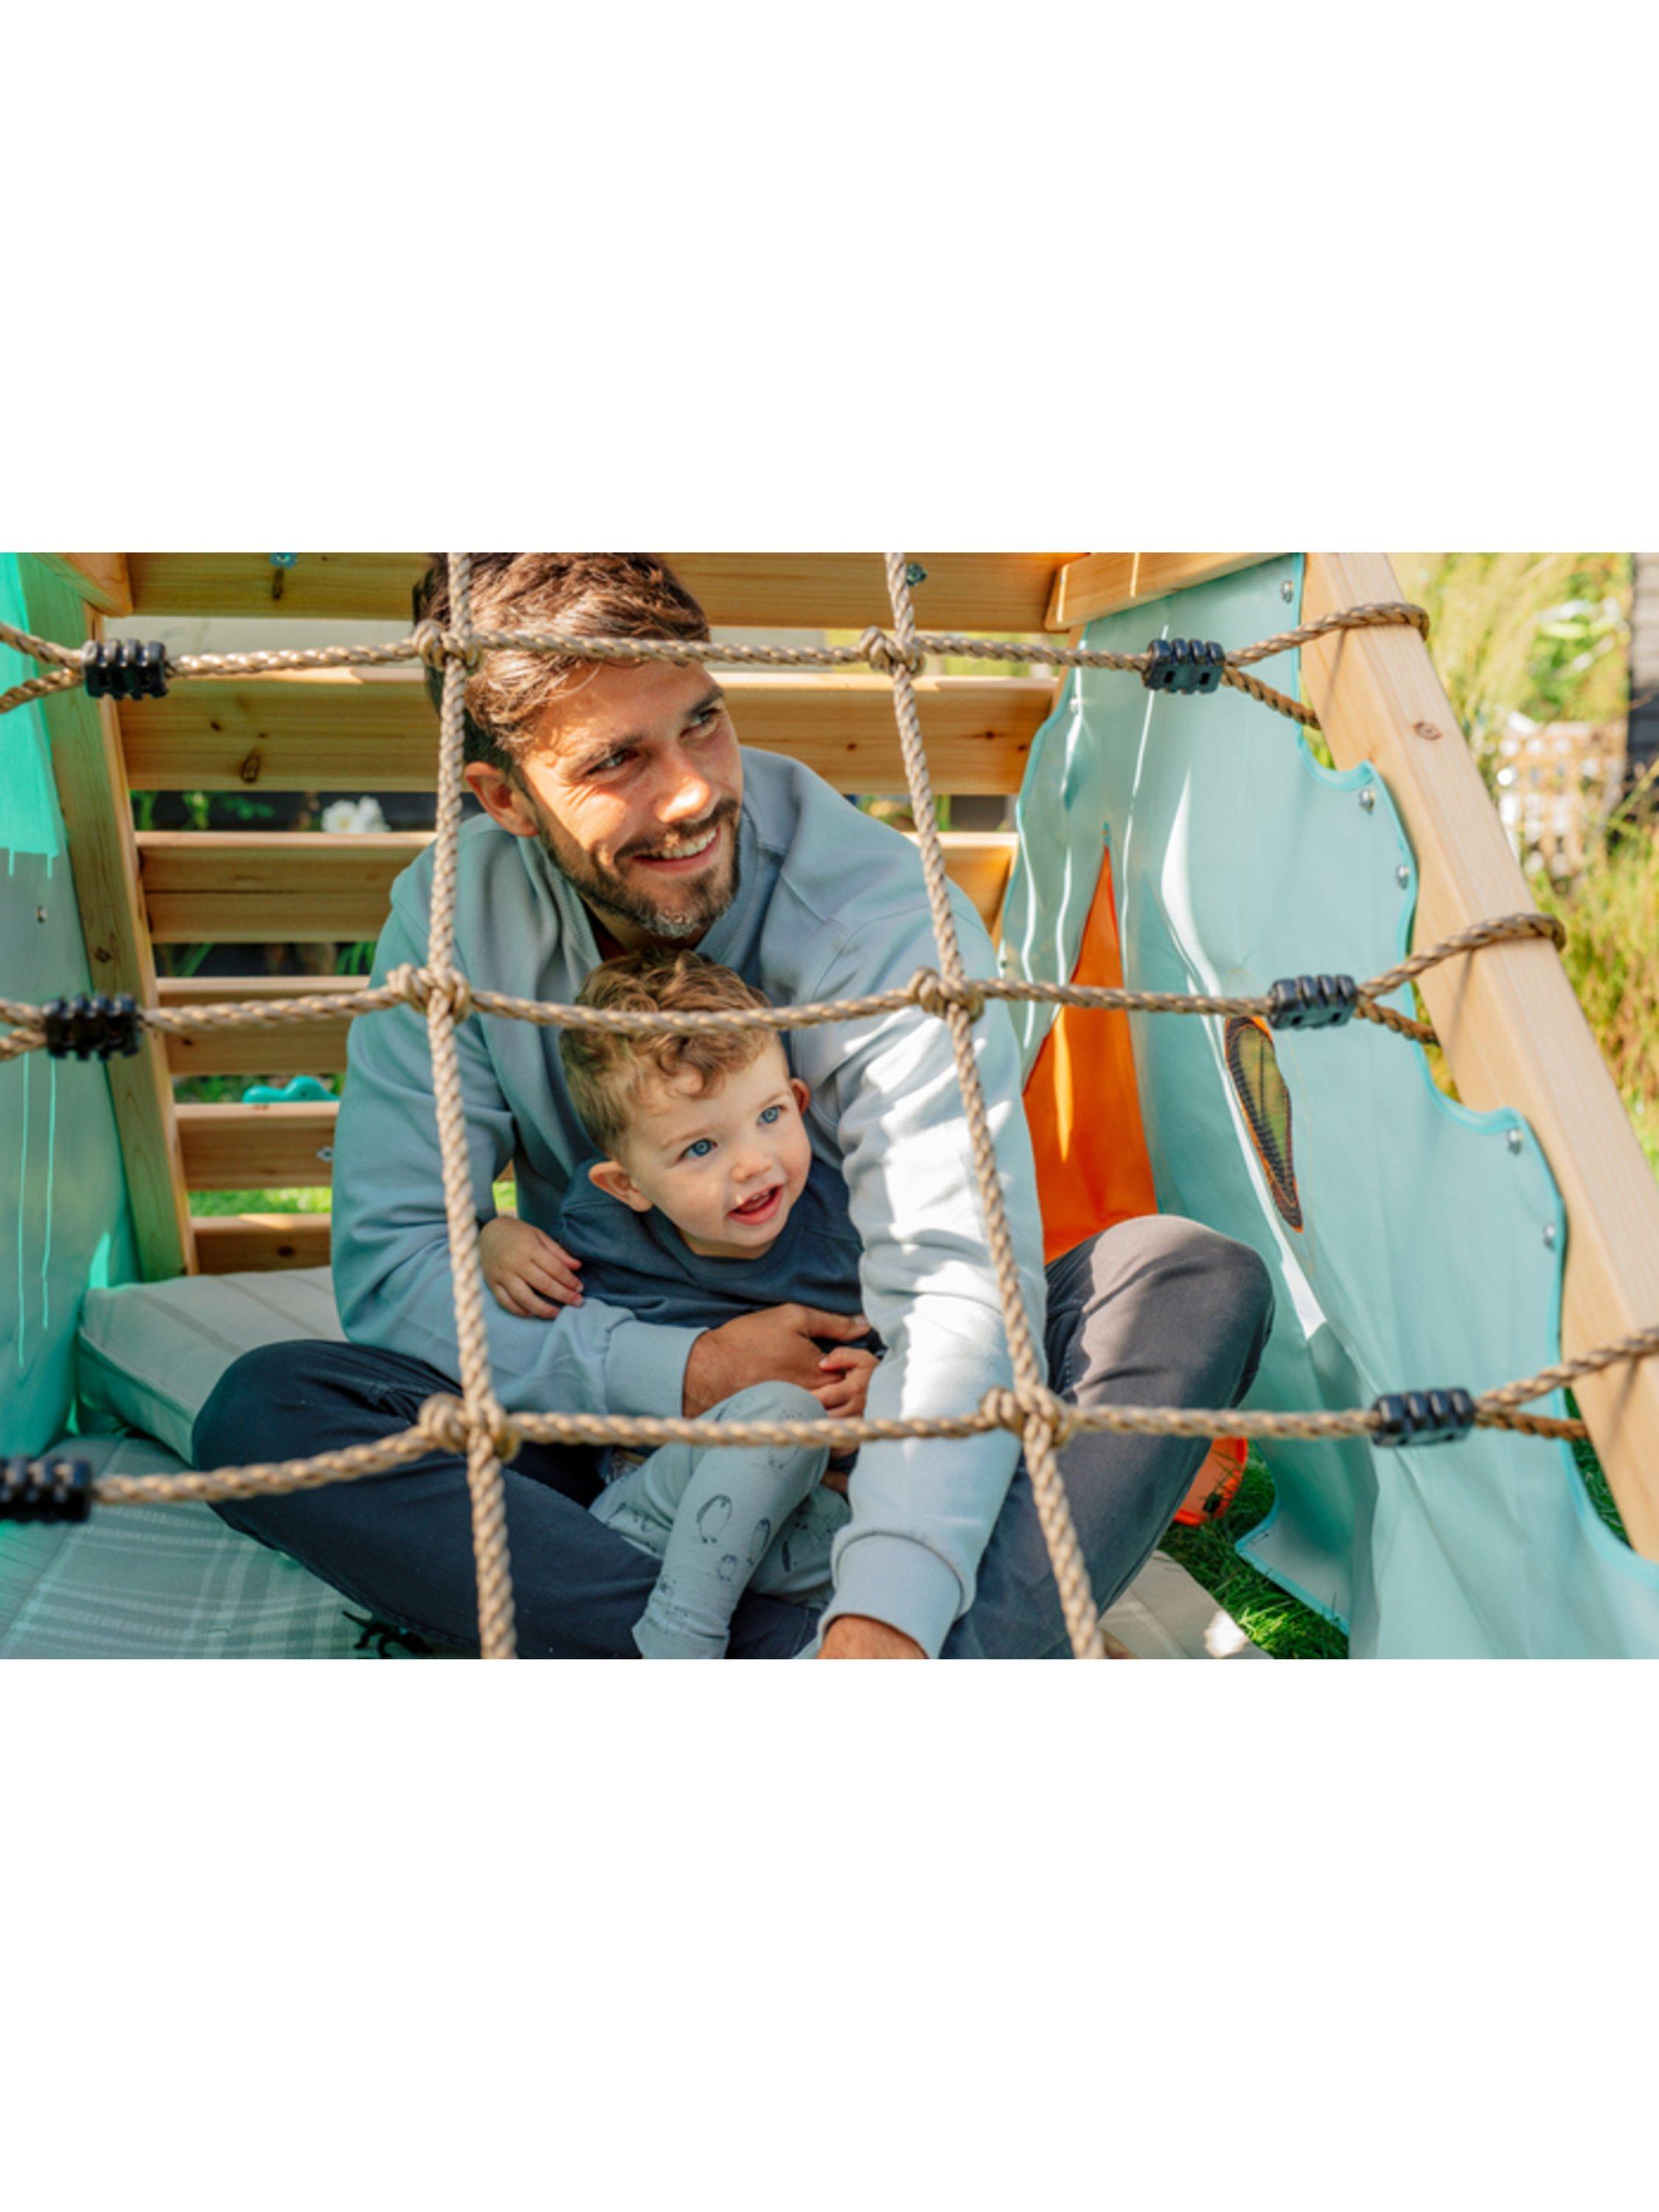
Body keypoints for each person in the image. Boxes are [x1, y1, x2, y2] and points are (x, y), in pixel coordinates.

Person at [195, 552, 1274, 1658]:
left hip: (872, 1404)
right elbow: (398, 1263)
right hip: (619, 1439)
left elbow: (952, 1292)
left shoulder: (881, 920)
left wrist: (883, 1618)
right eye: (617, 759)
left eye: (702, 721)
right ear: (505, 798)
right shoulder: (452, 916)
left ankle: (851, 1651)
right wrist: (692, 1373)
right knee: (270, 1415)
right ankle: (814, 1652)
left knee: (1187, 1282)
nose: (693, 793)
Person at [479, 947, 877, 1658]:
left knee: (904, 1531)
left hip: (802, 1517)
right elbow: (533, 1309)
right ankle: (677, 1643)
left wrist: (877, 1389)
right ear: (627, 1185)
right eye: (700, 1148)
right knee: (781, 1413)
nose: (753, 1162)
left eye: (769, 1115)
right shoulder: (601, 1226)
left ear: (798, 1102)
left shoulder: (847, 1228)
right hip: (647, 1504)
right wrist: (498, 1238)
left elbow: (900, 1350)